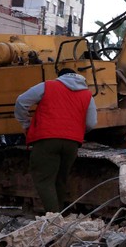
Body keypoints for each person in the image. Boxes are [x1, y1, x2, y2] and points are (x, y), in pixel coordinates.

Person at [14, 67, 97, 214]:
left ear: (60, 77)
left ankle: (54, 219)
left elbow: (21, 101)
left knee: (44, 180)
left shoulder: (48, 86)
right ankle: (61, 215)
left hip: (46, 140)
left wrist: (25, 124)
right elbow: (91, 123)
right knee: (60, 180)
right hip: (72, 143)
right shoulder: (87, 95)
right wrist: (75, 131)